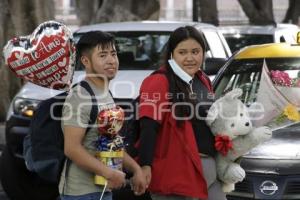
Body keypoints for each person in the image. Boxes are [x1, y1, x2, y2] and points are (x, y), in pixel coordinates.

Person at [138, 26, 227, 200]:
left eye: (195, 51)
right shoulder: (158, 81)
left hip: (208, 174)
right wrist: (145, 166)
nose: (190, 58)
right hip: (175, 176)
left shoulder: (203, 79)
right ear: (172, 54)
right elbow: (148, 127)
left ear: (203, 52)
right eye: (182, 52)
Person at [59, 31, 147, 200]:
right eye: (103, 55)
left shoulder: (105, 94)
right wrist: (109, 173)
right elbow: (72, 149)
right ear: (86, 61)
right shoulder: (79, 96)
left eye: (113, 54)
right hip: (80, 193)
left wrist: (136, 169)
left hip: (103, 190)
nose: (111, 60)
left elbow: (112, 142)